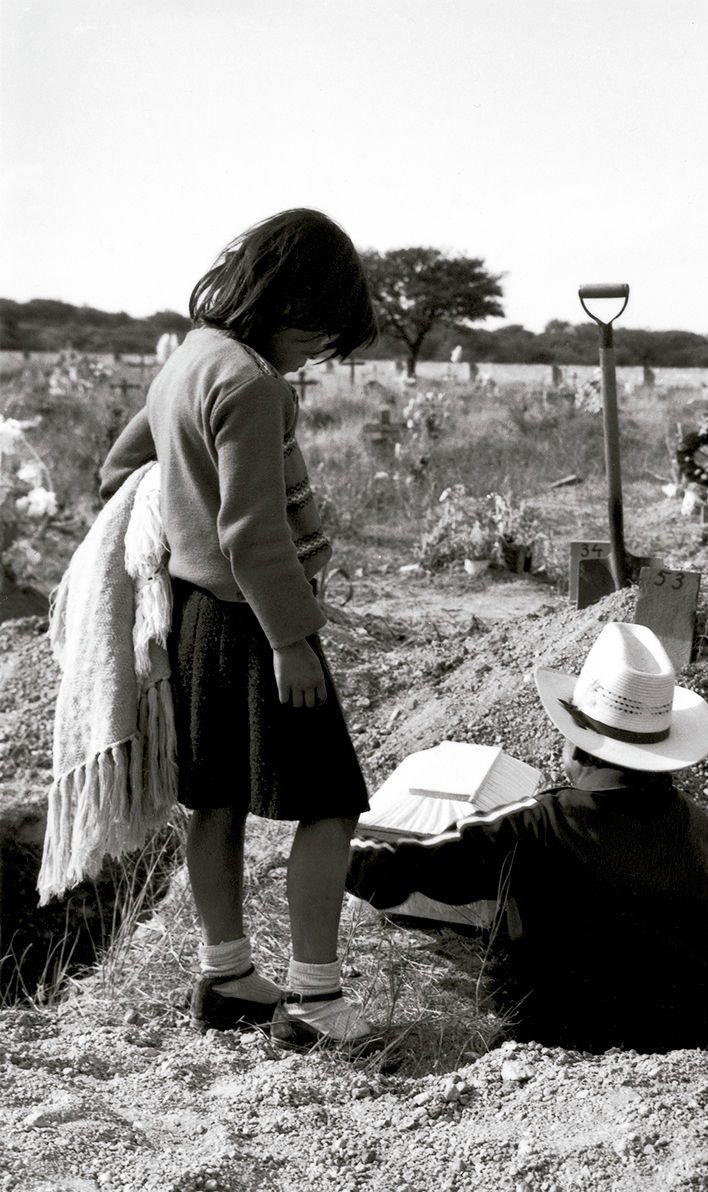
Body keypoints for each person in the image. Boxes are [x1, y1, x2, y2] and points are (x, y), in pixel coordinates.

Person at [98, 209, 380, 1050]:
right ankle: (316, 1001)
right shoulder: (252, 383)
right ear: (289, 299)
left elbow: (119, 472)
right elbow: (252, 533)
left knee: (211, 802)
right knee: (332, 804)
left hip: (188, 623)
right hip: (256, 623)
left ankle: (224, 976)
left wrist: (180, 504)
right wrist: (292, 639)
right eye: (320, 332)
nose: (318, 354)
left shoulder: (187, 358)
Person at [347, 622, 708, 1054]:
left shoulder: (538, 823)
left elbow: (407, 871)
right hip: (677, 1033)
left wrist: (340, 853)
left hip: (560, 1035)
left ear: (579, 749)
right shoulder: (694, 820)